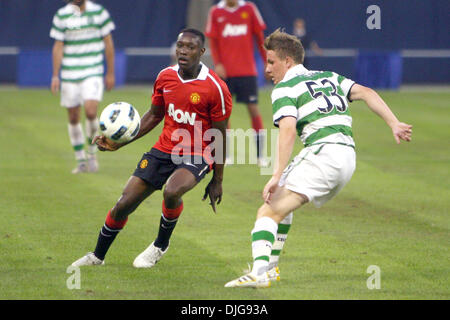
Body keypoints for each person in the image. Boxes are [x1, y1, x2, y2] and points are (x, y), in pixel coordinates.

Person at [225, 29, 412, 288]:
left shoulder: (285, 88)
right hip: (347, 156)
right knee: (280, 203)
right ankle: (270, 269)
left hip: (323, 154)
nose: (267, 69)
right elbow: (367, 92)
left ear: (287, 62)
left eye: (271, 62)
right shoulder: (329, 76)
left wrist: (275, 175)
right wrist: (393, 123)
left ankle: (258, 272)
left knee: (267, 210)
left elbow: (288, 131)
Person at [71, 28, 232, 268]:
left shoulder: (215, 88)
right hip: (164, 148)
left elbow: (219, 134)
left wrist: (217, 179)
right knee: (123, 204)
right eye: (180, 46)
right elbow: (154, 115)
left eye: (190, 47)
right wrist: (119, 142)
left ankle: (159, 245)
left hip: (199, 152)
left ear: (201, 52)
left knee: (172, 191)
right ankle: (97, 257)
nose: (183, 51)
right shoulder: (165, 77)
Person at [50, 0, 116, 174]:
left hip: (92, 70)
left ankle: (92, 153)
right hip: (70, 73)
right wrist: (55, 75)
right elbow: (58, 46)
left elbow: (108, 42)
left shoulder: (99, 12)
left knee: (91, 111)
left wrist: (110, 72)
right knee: (73, 117)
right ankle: (80, 160)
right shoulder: (62, 15)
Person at [205, 0, 268, 167]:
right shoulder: (215, 12)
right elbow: (213, 41)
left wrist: (267, 63)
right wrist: (218, 63)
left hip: (247, 71)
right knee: (224, 113)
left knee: (253, 109)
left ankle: (260, 155)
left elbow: (260, 39)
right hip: (225, 72)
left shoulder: (249, 9)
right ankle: (226, 155)